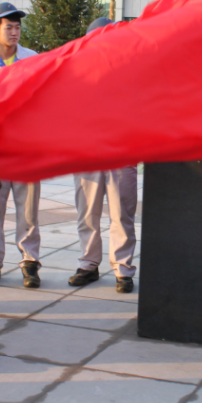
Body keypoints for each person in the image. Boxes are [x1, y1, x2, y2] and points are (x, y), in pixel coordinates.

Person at [0, 2, 43, 289]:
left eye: (17, 27)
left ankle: (30, 260)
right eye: (8, 27)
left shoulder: (32, 59)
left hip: (26, 147)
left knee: (28, 208)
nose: (14, 32)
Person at [70, 18, 138, 294]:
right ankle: (88, 263)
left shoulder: (131, 70)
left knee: (122, 213)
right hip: (86, 153)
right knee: (87, 212)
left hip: (121, 152)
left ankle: (123, 268)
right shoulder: (77, 72)